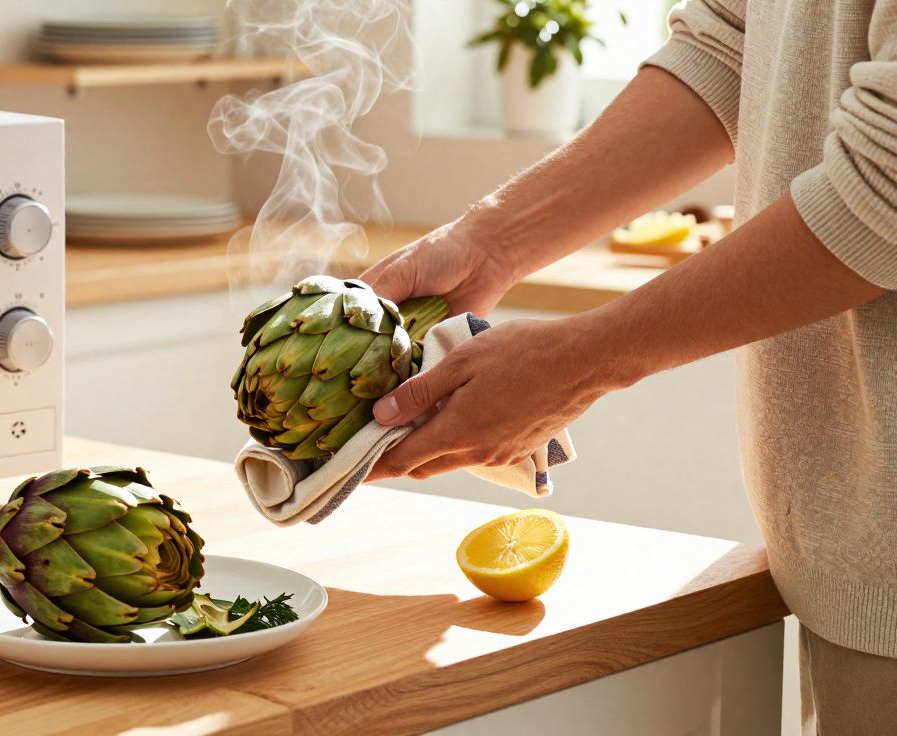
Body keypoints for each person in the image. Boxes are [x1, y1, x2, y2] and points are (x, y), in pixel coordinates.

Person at [360, 2, 896, 733]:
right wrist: (490, 241)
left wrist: (577, 363)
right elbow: (730, 46)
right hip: (850, 559)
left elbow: (885, 188)